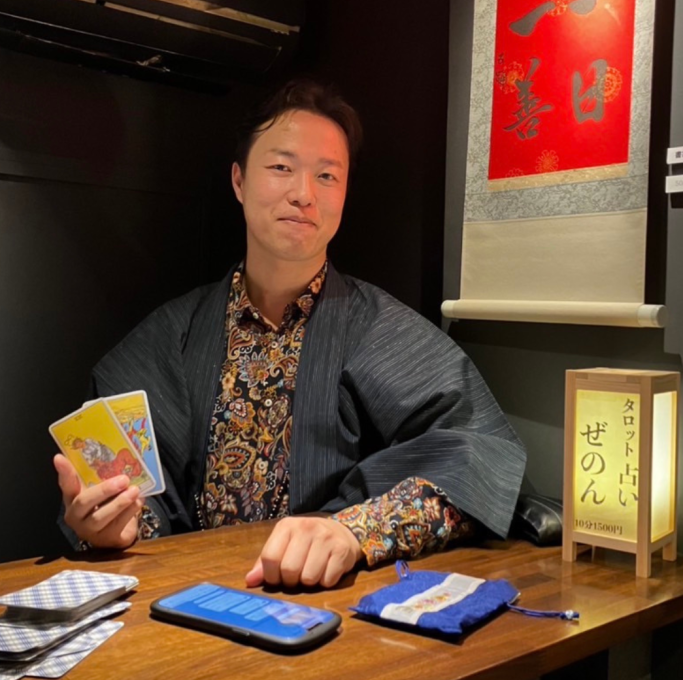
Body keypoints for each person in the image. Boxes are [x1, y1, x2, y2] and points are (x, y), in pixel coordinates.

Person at [56, 79, 526, 588]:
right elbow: (125, 491)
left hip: (326, 604)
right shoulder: (170, 335)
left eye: (327, 175)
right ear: (239, 181)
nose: (303, 194)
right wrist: (114, 526)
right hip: (186, 600)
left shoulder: (383, 329)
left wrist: (353, 532)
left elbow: (481, 457)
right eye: (281, 168)